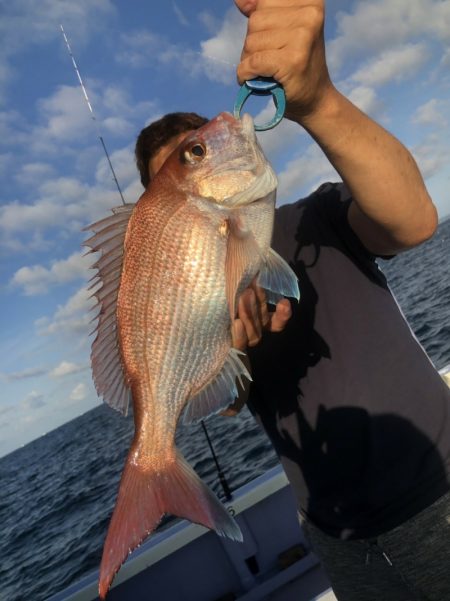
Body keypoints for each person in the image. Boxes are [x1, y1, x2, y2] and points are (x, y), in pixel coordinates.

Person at [134, 1, 450, 599]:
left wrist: (317, 100)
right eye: (182, 167)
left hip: (439, 488)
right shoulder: (185, 301)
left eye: (194, 150)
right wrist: (226, 355)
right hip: (337, 539)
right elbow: (226, 400)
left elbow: (412, 223)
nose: (208, 148)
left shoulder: (316, 217)